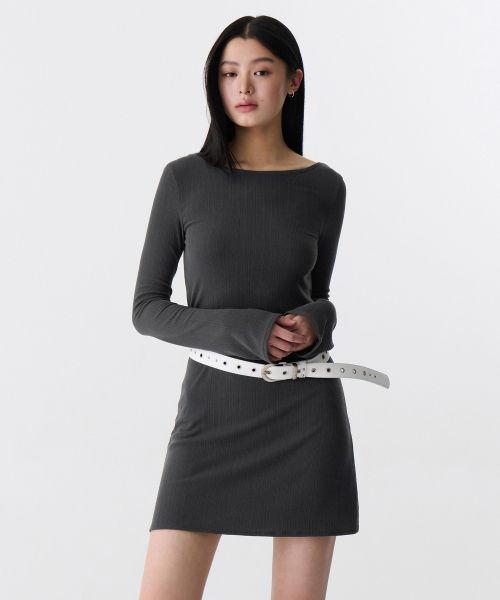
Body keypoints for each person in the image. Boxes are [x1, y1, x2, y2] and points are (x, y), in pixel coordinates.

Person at [133, 15, 355, 600]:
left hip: (306, 420)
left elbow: (318, 295)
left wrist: (316, 322)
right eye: (230, 73)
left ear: (293, 81)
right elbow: (147, 308)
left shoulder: (325, 187)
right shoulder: (184, 179)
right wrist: (249, 329)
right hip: (210, 415)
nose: (244, 87)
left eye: (261, 71)